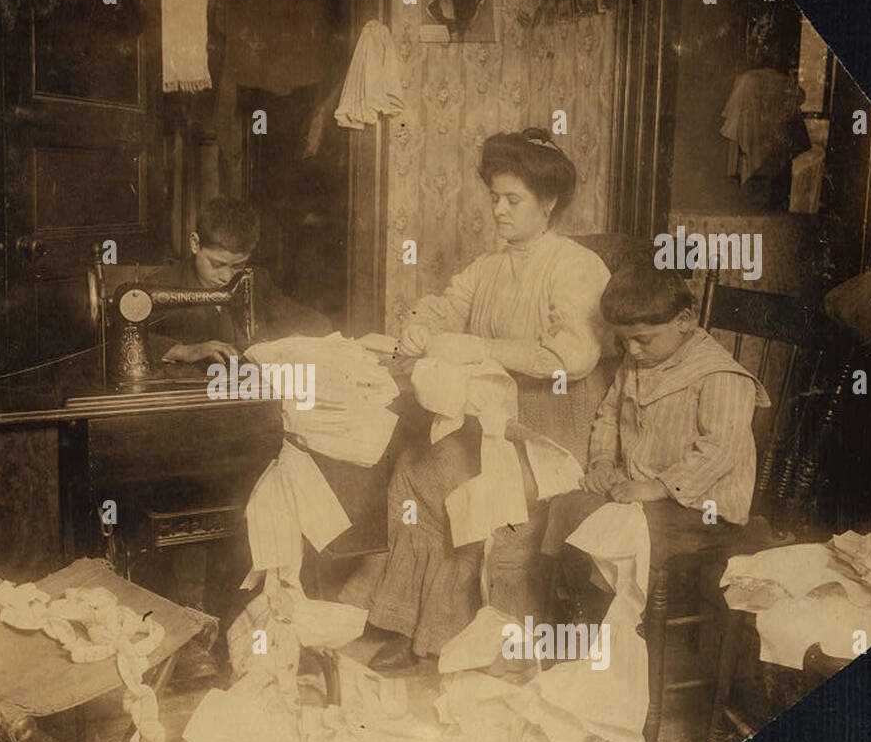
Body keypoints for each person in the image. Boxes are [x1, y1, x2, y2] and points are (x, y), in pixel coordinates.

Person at [342, 128, 613, 670]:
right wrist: (421, 325)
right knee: (415, 473)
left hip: (554, 429)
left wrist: (481, 346)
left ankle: (473, 640)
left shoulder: (576, 267)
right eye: (494, 198)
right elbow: (447, 306)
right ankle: (412, 623)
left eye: (512, 200)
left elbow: (570, 358)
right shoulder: (490, 266)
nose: (499, 211)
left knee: (472, 493)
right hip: (499, 422)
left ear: (549, 203)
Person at [541, 262, 770, 590]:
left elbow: (721, 450)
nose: (632, 350)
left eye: (643, 339)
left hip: (704, 511)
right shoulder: (638, 361)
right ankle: (579, 609)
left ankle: (612, 619)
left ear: (684, 321)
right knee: (568, 505)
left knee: (612, 527)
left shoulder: (720, 375)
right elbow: (609, 414)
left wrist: (661, 488)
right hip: (645, 493)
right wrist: (603, 462)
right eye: (624, 341)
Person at [144, 197, 331, 366]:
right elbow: (121, 337)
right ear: (195, 243)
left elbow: (312, 321)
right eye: (217, 264)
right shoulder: (160, 285)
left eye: (238, 266)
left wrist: (297, 336)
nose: (226, 277)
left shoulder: (258, 280)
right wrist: (183, 351)